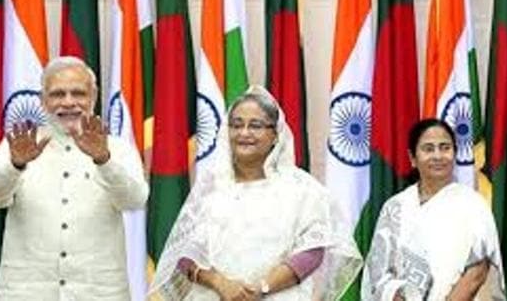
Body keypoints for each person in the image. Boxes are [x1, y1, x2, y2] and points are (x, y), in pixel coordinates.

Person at [149, 86, 362, 300]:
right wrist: (220, 283)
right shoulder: (211, 187)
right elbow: (185, 252)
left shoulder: (302, 189)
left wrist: (260, 289)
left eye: (256, 126)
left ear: (275, 135)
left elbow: (311, 253)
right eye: (236, 125)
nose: (244, 133)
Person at [0, 56, 149, 300]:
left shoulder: (117, 149)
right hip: (26, 293)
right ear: (43, 101)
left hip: (99, 292)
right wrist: (15, 166)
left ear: (93, 97)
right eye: (58, 94)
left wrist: (104, 161)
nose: (69, 103)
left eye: (78, 93)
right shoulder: (19, 146)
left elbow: (135, 200)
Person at [361, 118, 505, 301]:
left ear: (455, 153)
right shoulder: (395, 207)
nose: (438, 156)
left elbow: (477, 272)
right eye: (428, 149)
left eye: (445, 147)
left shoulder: (472, 205)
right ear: (413, 158)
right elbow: (379, 271)